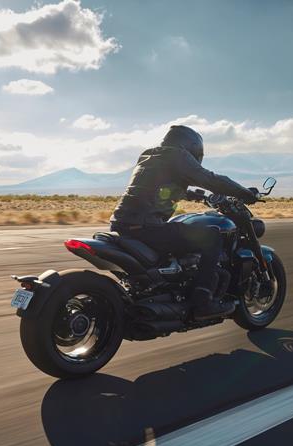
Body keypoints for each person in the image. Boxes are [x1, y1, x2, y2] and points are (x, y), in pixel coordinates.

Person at [110, 125, 259, 319]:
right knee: (212, 236)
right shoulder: (178, 156)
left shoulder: (149, 155)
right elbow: (210, 179)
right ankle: (202, 301)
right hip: (147, 226)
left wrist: (192, 195)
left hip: (121, 223)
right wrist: (245, 193)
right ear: (192, 146)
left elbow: (158, 187)